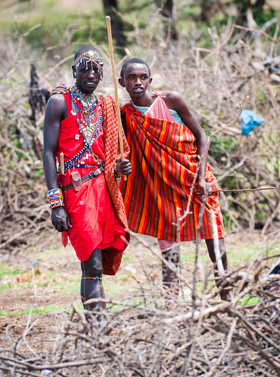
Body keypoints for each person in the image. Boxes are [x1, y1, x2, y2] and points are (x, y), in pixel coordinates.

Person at [118, 58, 229, 300]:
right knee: (170, 254)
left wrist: (201, 177)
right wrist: (121, 165)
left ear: (150, 80)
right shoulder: (124, 116)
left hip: (195, 181)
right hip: (161, 189)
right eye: (131, 78)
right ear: (122, 82)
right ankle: (173, 311)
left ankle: (228, 303)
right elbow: (122, 152)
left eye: (142, 77)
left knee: (216, 246)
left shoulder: (171, 100)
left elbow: (200, 135)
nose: (137, 82)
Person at [43, 46, 132, 318]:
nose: (91, 74)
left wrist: (120, 164)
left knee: (96, 265)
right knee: (91, 263)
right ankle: (98, 330)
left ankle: (98, 328)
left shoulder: (107, 104)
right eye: (84, 68)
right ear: (74, 71)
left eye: (96, 69)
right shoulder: (59, 103)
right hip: (76, 192)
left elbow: (115, 151)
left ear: (103, 73)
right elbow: (47, 153)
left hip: (105, 189)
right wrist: (55, 203)